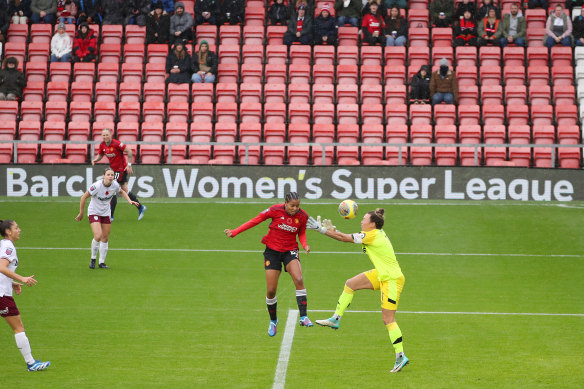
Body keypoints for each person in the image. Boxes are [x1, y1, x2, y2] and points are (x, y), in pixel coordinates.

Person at [307, 209, 409, 373]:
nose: (361, 221)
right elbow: (345, 236)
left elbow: (344, 238)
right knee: (351, 284)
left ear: (372, 224)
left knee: (388, 319)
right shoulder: (373, 233)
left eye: (364, 219)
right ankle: (336, 318)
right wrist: (334, 231)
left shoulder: (372, 235)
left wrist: (322, 230)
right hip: (382, 273)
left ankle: (400, 356)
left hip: (391, 279)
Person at [224, 192, 314, 337]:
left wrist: (304, 245)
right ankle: (273, 321)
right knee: (271, 290)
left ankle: (303, 317)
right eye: (292, 205)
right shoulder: (274, 210)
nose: (295, 208)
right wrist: (235, 232)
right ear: (285, 203)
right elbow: (256, 220)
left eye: (298, 206)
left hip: (290, 251)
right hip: (272, 252)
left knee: (298, 279)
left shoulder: (303, 216)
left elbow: (301, 233)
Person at [0, 219, 51, 372]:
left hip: (3, 291)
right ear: (8, 232)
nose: (19, 230)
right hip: (2, 296)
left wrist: (12, 283)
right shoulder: (8, 247)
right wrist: (21, 278)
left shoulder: (3, 244)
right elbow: (1, 267)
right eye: (16, 228)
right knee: (18, 327)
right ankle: (31, 363)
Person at [75, 168, 140, 269]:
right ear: (103, 176)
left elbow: (122, 191)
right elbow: (83, 197)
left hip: (105, 213)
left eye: (112, 175)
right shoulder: (96, 186)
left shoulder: (114, 185)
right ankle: (93, 259)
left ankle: (101, 263)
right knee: (98, 236)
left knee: (105, 237)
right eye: (108, 175)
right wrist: (81, 213)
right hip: (94, 212)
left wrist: (130, 201)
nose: (110, 177)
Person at [91, 128, 146, 221]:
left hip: (121, 169)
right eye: (103, 135)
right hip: (113, 170)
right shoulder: (102, 145)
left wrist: (129, 165)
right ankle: (140, 207)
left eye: (107, 135)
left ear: (110, 135)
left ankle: (110, 215)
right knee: (125, 191)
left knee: (112, 189)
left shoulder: (117, 143)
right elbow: (101, 154)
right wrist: (96, 159)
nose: (105, 137)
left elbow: (129, 151)